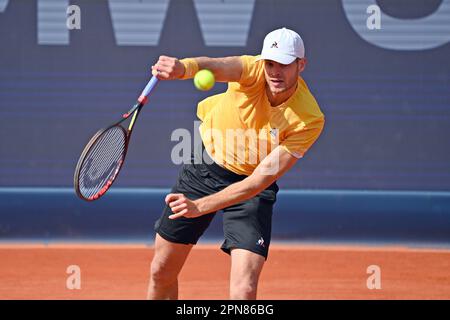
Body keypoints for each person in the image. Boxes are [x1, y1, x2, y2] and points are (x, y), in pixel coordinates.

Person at [147, 27, 325, 300]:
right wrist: (183, 68)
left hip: (250, 188)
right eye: (270, 63)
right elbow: (215, 66)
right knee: (161, 271)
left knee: (244, 291)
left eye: (285, 65)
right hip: (203, 169)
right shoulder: (252, 69)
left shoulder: (309, 118)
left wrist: (201, 207)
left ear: (301, 65)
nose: (275, 72)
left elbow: (258, 182)